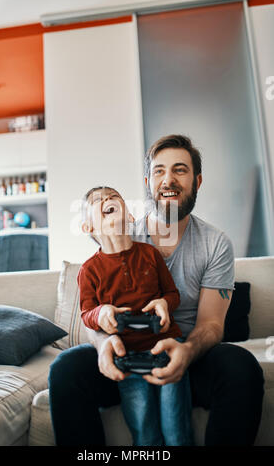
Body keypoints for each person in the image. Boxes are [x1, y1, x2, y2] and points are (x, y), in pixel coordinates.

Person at [48, 134, 264, 446]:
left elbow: (212, 325)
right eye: (160, 171)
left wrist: (186, 352)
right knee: (66, 368)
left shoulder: (215, 243)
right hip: (126, 357)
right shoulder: (122, 230)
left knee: (241, 367)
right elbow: (91, 311)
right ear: (148, 181)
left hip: (185, 353)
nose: (169, 180)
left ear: (197, 181)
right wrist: (105, 342)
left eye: (180, 170)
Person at [77, 185, 193, 445]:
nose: (107, 198)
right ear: (87, 227)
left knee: (177, 429)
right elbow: (87, 313)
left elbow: (173, 294)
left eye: (114, 196)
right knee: (144, 431)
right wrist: (102, 312)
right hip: (126, 358)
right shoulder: (89, 270)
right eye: (98, 200)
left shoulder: (150, 254)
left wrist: (164, 303)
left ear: (129, 216)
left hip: (166, 349)